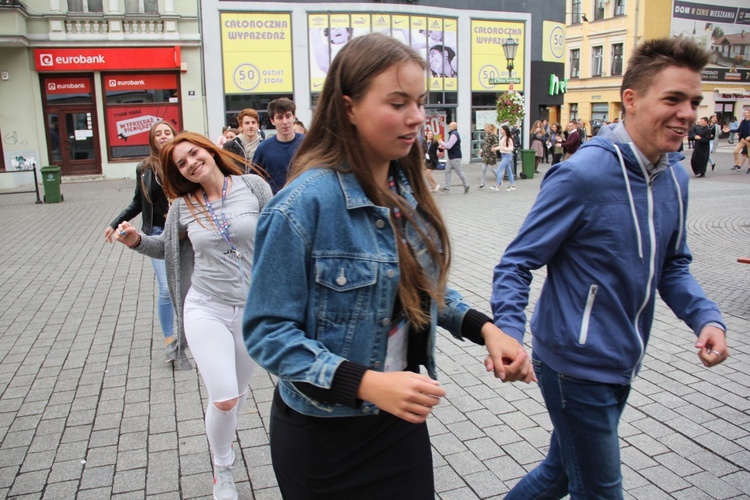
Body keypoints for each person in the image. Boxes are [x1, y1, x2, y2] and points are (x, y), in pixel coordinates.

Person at [242, 33, 534, 499]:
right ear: (349, 107)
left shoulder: (409, 194)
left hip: (398, 425)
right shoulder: (299, 207)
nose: (417, 117)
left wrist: (487, 329)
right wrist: (367, 383)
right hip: (322, 438)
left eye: (419, 101)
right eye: (398, 102)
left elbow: (419, 290)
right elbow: (267, 333)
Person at [491, 37, 728, 499]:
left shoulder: (675, 174)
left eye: (694, 102)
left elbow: (673, 266)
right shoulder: (582, 174)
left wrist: (707, 316)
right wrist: (508, 331)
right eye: (673, 99)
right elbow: (517, 261)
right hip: (574, 364)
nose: (687, 113)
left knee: (561, 471)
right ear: (632, 100)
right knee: (601, 491)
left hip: (624, 357)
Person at [114, 132, 273, 500]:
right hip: (205, 306)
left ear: (208, 150)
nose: (190, 163)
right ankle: (223, 469)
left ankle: (224, 433)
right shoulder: (185, 206)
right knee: (225, 398)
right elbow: (166, 249)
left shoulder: (254, 187)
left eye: (193, 154)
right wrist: (136, 240)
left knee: (237, 393)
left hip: (252, 311)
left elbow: (280, 232)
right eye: (181, 164)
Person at [103, 121, 191, 369]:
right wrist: (115, 222)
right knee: (166, 288)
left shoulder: (183, 161)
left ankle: (190, 333)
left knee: (187, 286)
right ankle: (170, 339)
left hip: (185, 233)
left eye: (167, 132)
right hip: (156, 233)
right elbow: (137, 202)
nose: (163, 136)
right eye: (158, 134)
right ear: (152, 140)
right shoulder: (144, 168)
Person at [252, 98, 305, 194]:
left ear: (294, 117)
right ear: (272, 121)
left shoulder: (307, 143)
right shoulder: (264, 148)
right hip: (276, 203)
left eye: (288, 116)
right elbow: (254, 180)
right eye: (280, 117)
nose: (285, 121)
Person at [439, 121, 470, 193]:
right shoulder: (453, 134)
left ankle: (466, 185)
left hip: (455, 157)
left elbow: (449, 146)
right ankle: (447, 187)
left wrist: (441, 142)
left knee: (459, 171)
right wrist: (444, 147)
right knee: (447, 170)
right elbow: (450, 145)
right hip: (451, 156)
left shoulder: (454, 135)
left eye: (450, 126)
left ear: (453, 127)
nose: (449, 127)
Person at [490, 124, 515, 191]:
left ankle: (497, 185)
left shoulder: (509, 138)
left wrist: (504, 148)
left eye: (501, 129)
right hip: (503, 155)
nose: (500, 130)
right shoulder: (503, 137)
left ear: (505, 130)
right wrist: (495, 148)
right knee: (509, 171)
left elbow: (511, 148)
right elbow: (500, 146)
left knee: (499, 169)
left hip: (507, 155)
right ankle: (512, 185)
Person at [479, 123, 498, 189]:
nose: (485, 129)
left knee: (492, 169)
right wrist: (482, 149)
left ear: (490, 128)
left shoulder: (494, 136)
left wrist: (493, 148)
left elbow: (496, 143)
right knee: (483, 169)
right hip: (485, 154)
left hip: (491, 155)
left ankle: (499, 178)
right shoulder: (486, 135)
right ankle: (482, 183)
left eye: (486, 128)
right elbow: (484, 144)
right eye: (485, 128)